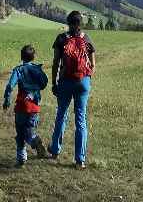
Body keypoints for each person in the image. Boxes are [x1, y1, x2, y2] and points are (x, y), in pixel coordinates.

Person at [48, 10, 96, 169]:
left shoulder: (61, 38)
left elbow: (56, 62)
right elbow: (93, 65)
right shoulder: (87, 39)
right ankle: (79, 160)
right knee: (80, 119)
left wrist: (54, 82)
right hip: (83, 81)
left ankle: (55, 150)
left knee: (61, 114)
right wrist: (86, 80)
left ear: (68, 23)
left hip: (65, 81)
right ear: (80, 23)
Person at [2, 44, 49, 168]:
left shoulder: (18, 70)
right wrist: (35, 90)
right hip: (34, 107)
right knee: (29, 130)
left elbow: (9, 86)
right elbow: (44, 83)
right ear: (34, 57)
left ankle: (21, 158)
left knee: (20, 132)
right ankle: (34, 140)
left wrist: (7, 100)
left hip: (22, 106)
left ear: (21, 57)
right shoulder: (38, 70)